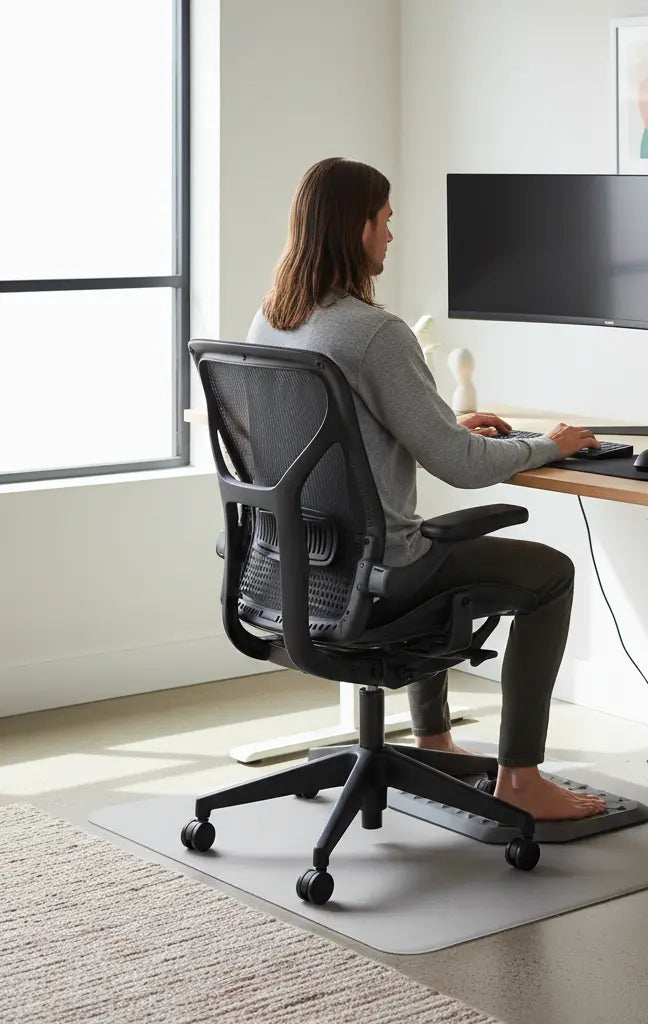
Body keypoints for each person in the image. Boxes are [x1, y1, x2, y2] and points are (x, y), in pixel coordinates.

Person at [247, 157, 605, 821]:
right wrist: (550, 446)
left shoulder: (270, 321)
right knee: (546, 574)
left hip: (296, 570)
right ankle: (521, 779)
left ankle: (434, 741)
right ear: (357, 228)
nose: (392, 235)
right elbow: (463, 467)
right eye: (385, 220)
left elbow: (339, 437)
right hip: (378, 577)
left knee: (435, 548)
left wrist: (441, 424)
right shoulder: (374, 332)